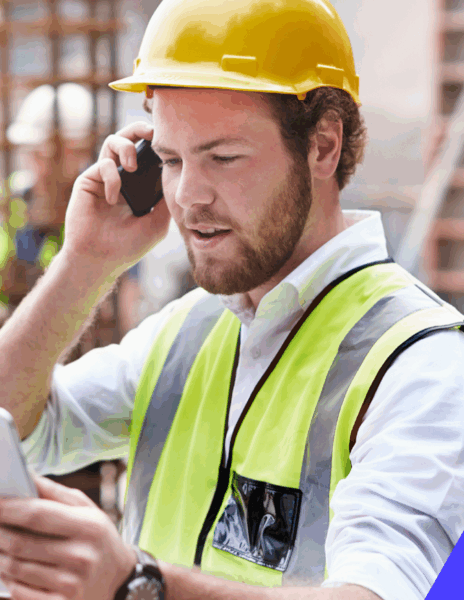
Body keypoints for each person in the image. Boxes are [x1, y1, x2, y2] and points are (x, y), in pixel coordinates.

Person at [0, 1, 463, 600]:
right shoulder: (185, 332)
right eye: (169, 160)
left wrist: (140, 584)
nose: (188, 196)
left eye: (222, 157)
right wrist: (85, 264)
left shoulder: (422, 363)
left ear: (323, 146)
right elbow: (12, 416)